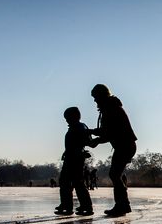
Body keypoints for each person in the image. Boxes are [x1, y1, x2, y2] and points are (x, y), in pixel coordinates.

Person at [88, 84, 137, 216]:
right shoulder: (110, 107)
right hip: (124, 145)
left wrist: (96, 139)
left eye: (95, 97)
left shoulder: (111, 109)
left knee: (114, 174)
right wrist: (93, 133)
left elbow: (110, 132)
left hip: (125, 145)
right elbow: (107, 131)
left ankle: (122, 205)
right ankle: (123, 205)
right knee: (115, 174)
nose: (94, 101)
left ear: (101, 95)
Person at [55, 107, 93, 216]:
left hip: (75, 159)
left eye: (67, 118)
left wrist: (80, 151)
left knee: (76, 182)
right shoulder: (75, 127)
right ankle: (68, 205)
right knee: (67, 182)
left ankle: (83, 206)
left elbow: (87, 141)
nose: (66, 120)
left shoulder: (79, 127)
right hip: (71, 157)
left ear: (74, 116)